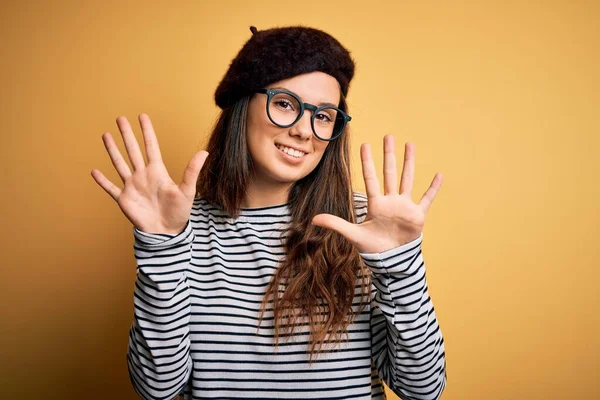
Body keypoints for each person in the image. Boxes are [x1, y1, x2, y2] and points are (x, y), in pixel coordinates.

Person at [91, 25, 447, 400]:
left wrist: (399, 267)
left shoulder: (364, 226)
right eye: (285, 103)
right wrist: (161, 248)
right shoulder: (180, 226)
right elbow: (157, 388)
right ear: (243, 106)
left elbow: (422, 389)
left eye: (324, 116)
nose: (304, 131)